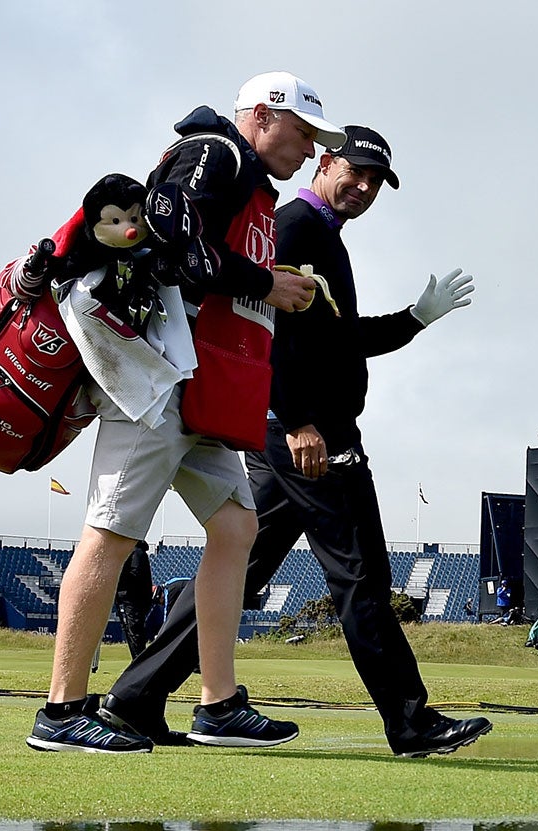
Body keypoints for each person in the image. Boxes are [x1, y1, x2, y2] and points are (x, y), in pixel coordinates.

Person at [102, 125, 490, 758]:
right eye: (356, 171)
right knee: (362, 575)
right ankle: (411, 720)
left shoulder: (320, 235)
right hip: (311, 434)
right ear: (326, 161)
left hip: (294, 432)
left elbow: (339, 340)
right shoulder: (297, 228)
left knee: (242, 572)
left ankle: (136, 697)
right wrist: (298, 418)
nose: (363, 187)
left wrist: (416, 319)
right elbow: (264, 331)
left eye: (375, 183)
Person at [30, 71, 335, 753]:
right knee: (110, 534)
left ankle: (218, 704)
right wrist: (268, 282)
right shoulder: (213, 153)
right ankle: (60, 712)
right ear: (262, 115)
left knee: (235, 526)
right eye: (304, 130)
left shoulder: (242, 173)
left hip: (199, 386)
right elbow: (172, 242)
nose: (311, 147)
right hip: (154, 378)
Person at [114, 540, 157, 660]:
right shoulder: (139, 553)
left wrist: (119, 579)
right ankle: (138, 659)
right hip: (136, 598)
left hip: (132, 598)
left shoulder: (135, 553)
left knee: (134, 629)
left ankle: (138, 660)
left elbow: (135, 574)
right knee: (134, 629)